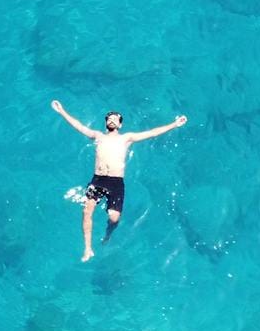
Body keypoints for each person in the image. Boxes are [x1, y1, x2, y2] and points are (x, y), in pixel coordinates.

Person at [49, 100, 187, 260]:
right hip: (98, 179)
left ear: (120, 125)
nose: (112, 120)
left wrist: (174, 124)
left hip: (116, 182)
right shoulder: (98, 136)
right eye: (109, 118)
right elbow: (79, 126)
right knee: (87, 210)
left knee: (114, 218)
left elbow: (152, 133)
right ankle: (87, 249)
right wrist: (62, 111)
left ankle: (108, 233)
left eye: (116, 118)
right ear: (106, 123)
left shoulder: (127, 138)